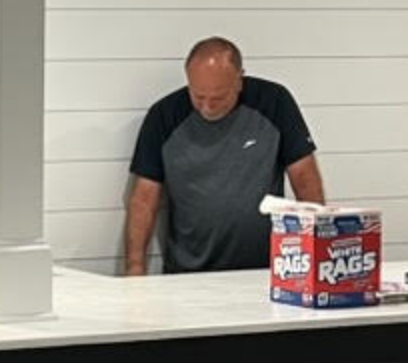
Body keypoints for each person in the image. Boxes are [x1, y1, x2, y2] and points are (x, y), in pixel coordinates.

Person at [123, 37, 324, 274]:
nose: (207, 107)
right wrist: (135, 269)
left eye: (218, 98)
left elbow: (305, 179)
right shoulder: (164, 117)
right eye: (198, 96)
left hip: (266, 269)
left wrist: (317, 252)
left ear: (239, 80)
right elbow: (144, 200)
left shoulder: (274, 102)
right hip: (189, 273)